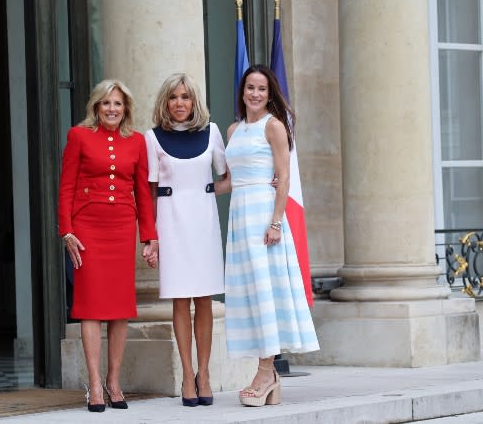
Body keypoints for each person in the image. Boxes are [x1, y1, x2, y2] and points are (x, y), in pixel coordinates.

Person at [217, 64, 319, 407]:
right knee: (248, 292)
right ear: (242, 91)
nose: (255, 94)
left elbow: (284, 177)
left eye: (261, 88)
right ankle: (268, 376)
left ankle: (265, 373)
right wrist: (193, 189)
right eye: (250, 88)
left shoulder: (273, 127)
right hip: (239, 216)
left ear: (269, 93)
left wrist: (276, 222)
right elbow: (231, 180)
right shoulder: (234, 130)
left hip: (264, 216)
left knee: (265, 291)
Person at [58, 79, 159, 413]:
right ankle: (95, 384)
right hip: (87, 229)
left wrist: (149, 236)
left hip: (120, 229)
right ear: (96, 107)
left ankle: (114, 382)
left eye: (117, 104)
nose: (112, 109)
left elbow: (143, 193)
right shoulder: (79, 136)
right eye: (106, 104)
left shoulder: (137, 141)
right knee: (90, 306)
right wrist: (66, 230)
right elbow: (66, 186)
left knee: (119, 308)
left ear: (125, 108)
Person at [144, 73, 226, 407]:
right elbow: (149, 191)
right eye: (174, 97)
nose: (180, 103)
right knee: (180, 300)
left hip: (204, 223)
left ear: (195, 101)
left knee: (204, 299)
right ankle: (186, 375)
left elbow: (227, 176)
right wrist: (150, 238)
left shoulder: (212, 133)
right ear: (165, 102)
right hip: (171, 223)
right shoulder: (152, 138)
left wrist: (206, 193)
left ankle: (204, 375)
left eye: (186, 97)